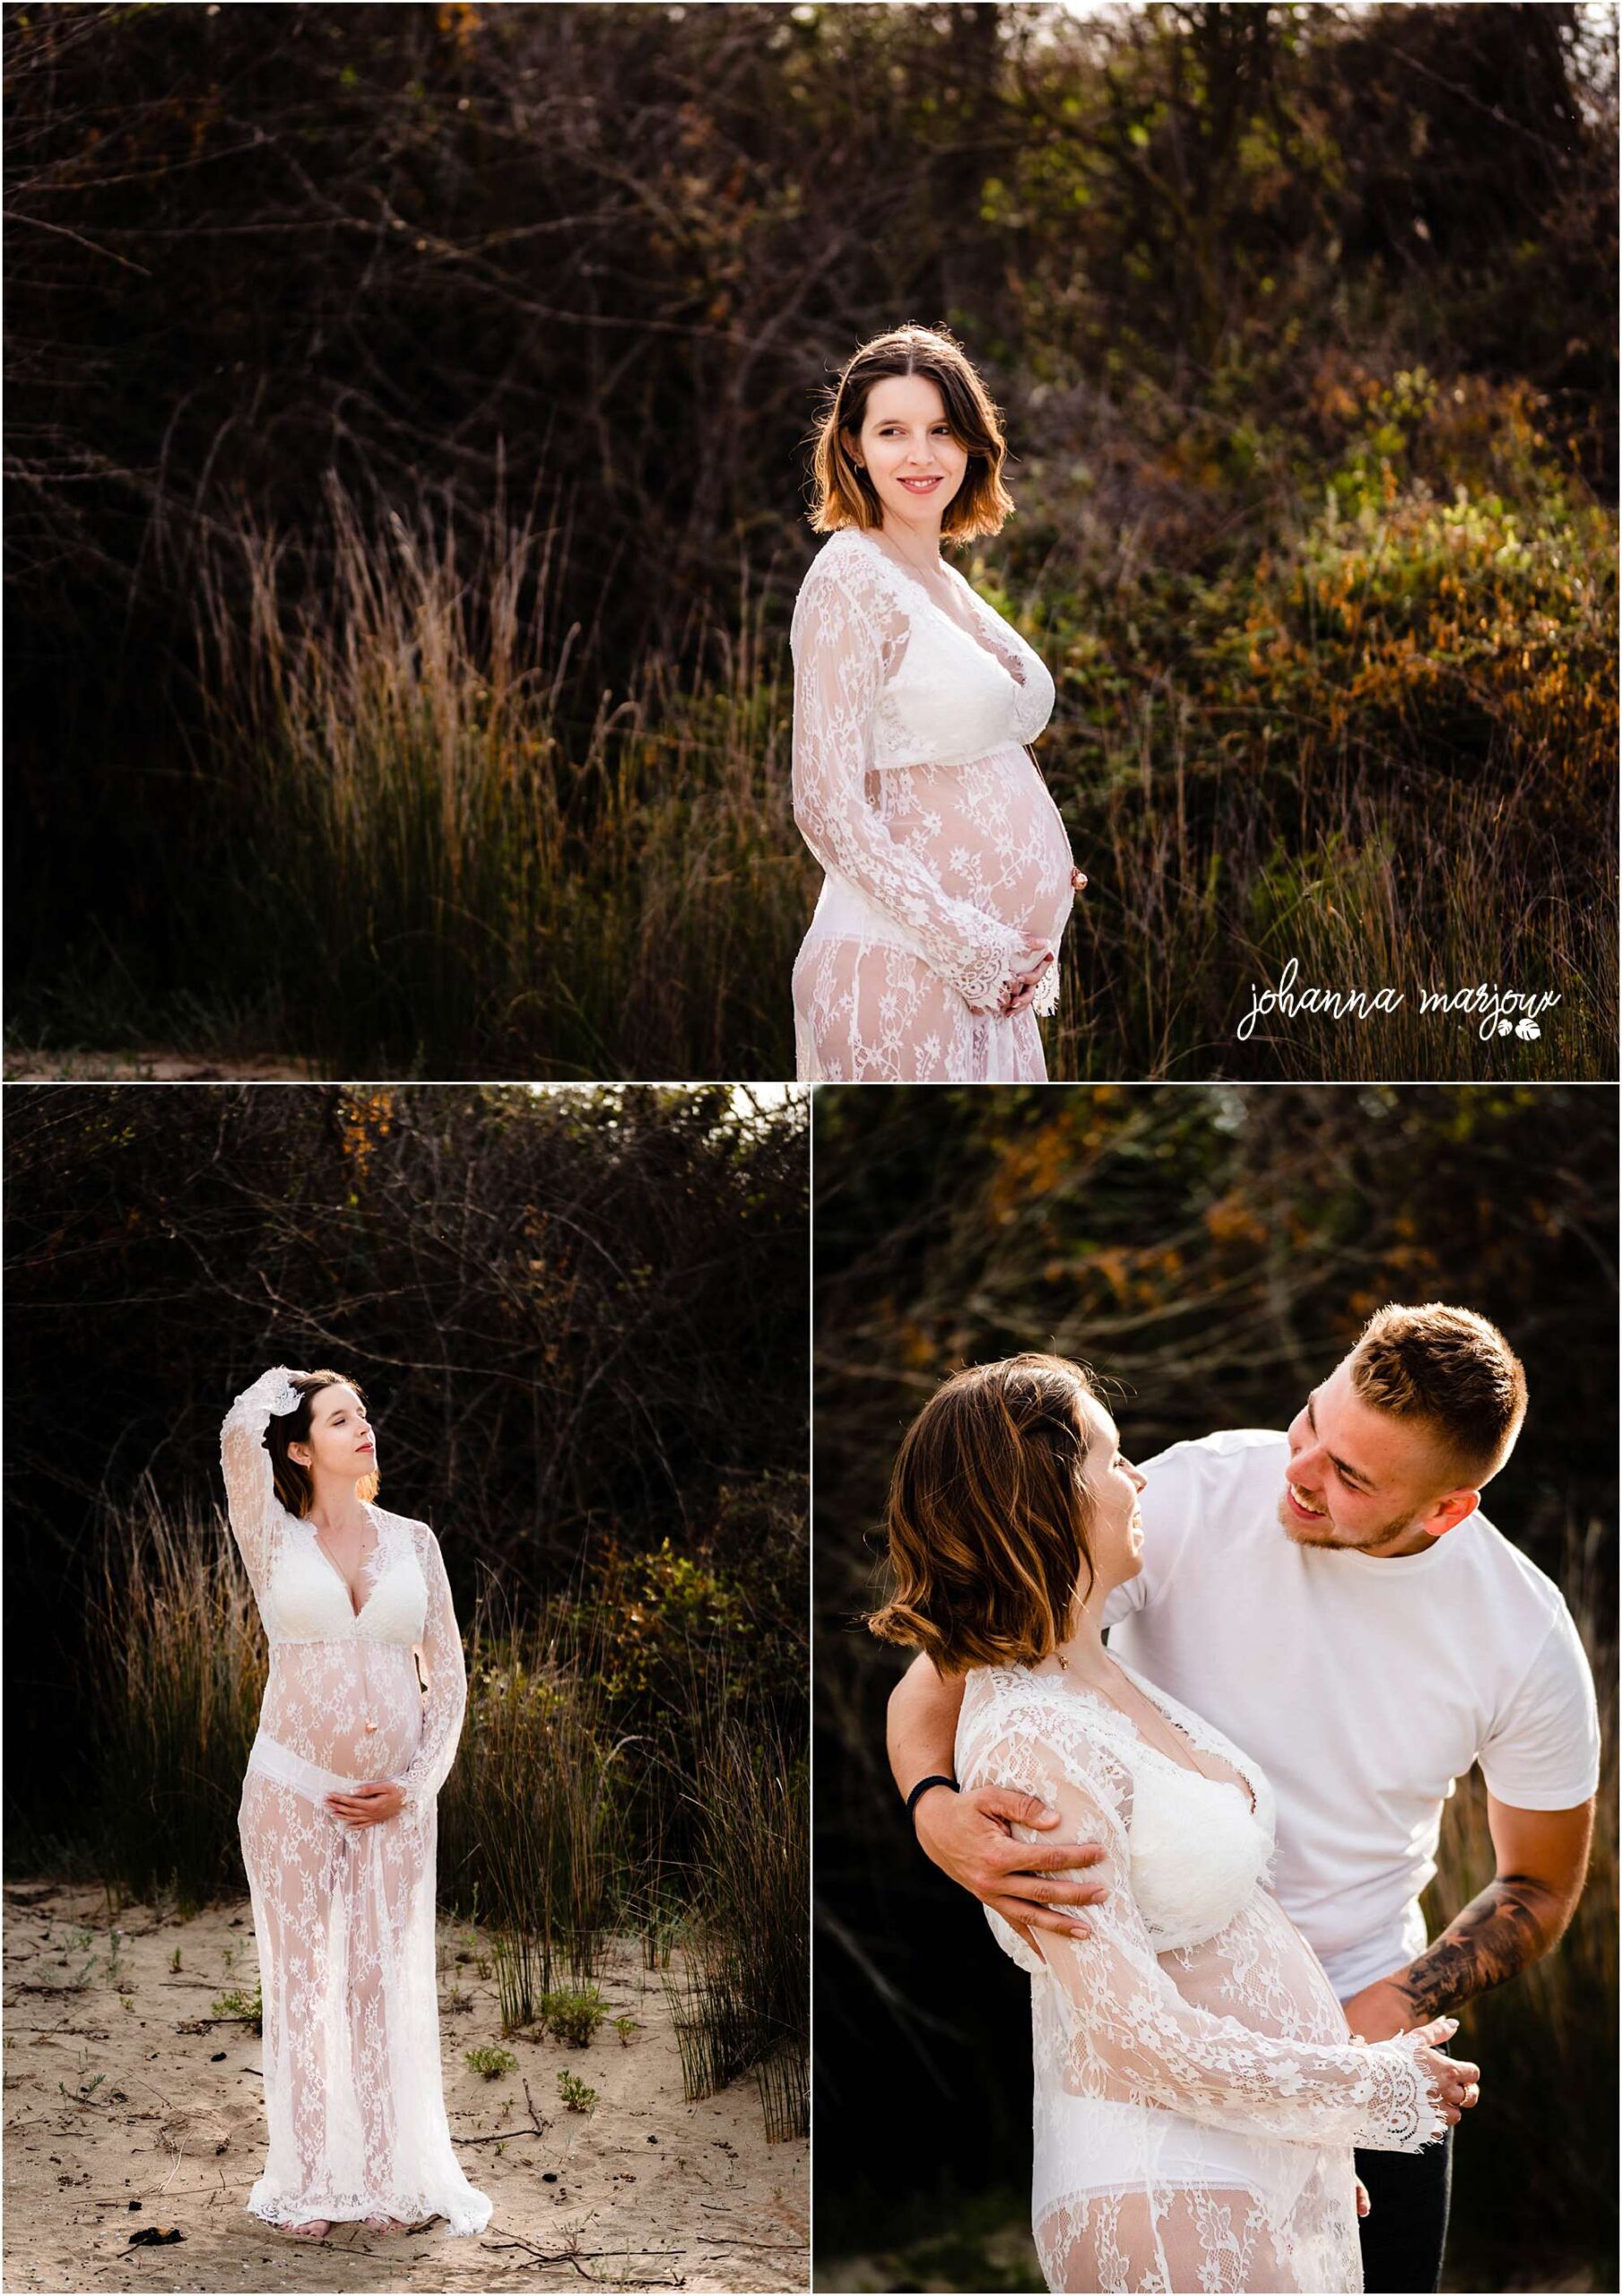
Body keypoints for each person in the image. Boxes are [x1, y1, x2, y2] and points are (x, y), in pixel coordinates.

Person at [887, 1307, 1599, 2293]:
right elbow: (955, 1665)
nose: (1301, 1472)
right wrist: (933, 1812)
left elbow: (1536, 1886)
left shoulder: (1521, 1636)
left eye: (1353, 1478)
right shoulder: (1193, 1492)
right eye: (1312, 1423)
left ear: (1446, 1510)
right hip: (1161, 2057)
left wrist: (1376, 2021)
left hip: (1367, 2049)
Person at [220, 1366, 492, 2241]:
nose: (363, 1427)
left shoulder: (414, 1543)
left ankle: (381, 2180)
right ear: (301, 1448)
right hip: (290, 1787)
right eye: (340, 1418)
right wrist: (285, 1382)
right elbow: (234, 1439)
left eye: (364, 1413)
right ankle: (306, 2185)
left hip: (393, 1801)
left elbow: (448, 1679)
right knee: (301, 1987)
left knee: (380, 1984)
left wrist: (414, 1787)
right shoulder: (270, 1538)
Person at [789, 322, 1087, 1083]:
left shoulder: (942, 580)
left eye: (941, 430)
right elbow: (825, 806)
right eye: (893, 431)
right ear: (853, 445)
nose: (920, 455)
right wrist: (972, 948)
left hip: (989, 985)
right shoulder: (848, 581)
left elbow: (969, 756)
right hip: (901, 967)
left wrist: (1040, 868)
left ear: (971, 444)